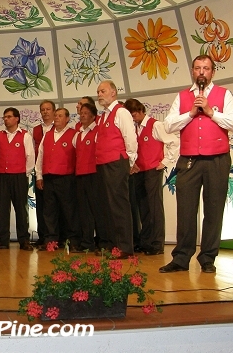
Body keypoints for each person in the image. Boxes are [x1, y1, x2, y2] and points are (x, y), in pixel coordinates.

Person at [160, 55, 233, 273]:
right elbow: (168, 126)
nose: (201, 72)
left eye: (206, 68)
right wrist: (190, 113)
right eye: (198, 68)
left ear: (212, 72)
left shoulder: (224, 94)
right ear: (192, 71)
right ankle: (181, 258)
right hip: (189, 160)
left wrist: (210, 111)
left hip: (217, 159)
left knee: (214, 209)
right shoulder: (182, 97)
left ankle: (207, 257)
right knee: (185, 209)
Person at [124, 98, 179, 256]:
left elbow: (174, 142)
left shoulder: (155, 125)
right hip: (139, 171)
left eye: (134, 114)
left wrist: (165, 161)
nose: (133, 117)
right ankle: (145, 241)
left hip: (153, 170)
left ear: (141, 111)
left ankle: (157, 243)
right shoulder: (134, 129)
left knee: (154, 206)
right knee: (143, 207)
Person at [95, 80, 137, 258]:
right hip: (104, 164)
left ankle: (125, 247)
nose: (99, 94)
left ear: (113, 92)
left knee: (119, 205)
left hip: (116, 163)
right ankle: (114, 245)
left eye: (102, 91)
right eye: (98, 92)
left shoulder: (121, 112)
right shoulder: (103, 116)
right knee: (108, 205)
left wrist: (129, 161)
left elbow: (131, 138)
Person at [0, 107, 35, 251]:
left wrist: (23, 173)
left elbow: (30, 157)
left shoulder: (25, 136)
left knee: (21, 209)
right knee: (3, 209)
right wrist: (2, 169)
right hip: (2, 176)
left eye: (9, 117)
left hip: (19, 177)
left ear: (17, 119)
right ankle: (3, 240)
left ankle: (24, 240)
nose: (6, 119)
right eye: (5, 117)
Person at [35, 108, 79, 251]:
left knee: (69, 211)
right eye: (56, 116)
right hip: (49, 178)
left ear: (67, 118)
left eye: (60, 116)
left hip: (66, 178)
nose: (57, 118)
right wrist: (39, 176)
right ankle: (50, 241)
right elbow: (40, 156)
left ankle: (72, 241)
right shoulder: (47, 135)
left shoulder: (74, 134)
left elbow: (79, 156)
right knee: (49, 211)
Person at [72, 102, 99, 252]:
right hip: (80, 176)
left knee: (97, 209)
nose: (82, 115)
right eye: (81, 113)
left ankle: (102, 241)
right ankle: (87, 242)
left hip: (94, 175)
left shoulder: (97, 131)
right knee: (84, 211)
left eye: (86, 113)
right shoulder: (78, 134)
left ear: (93, 116)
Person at [32, 100, 55, 247]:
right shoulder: (35, 130)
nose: (45, 112)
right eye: (42, 110)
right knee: (41, 207)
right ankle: (42, 237)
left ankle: (56, 237)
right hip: (40, 171)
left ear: (54, 111)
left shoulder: (60, 128)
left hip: (56, 172)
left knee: (54, 206)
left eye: (48, 109)